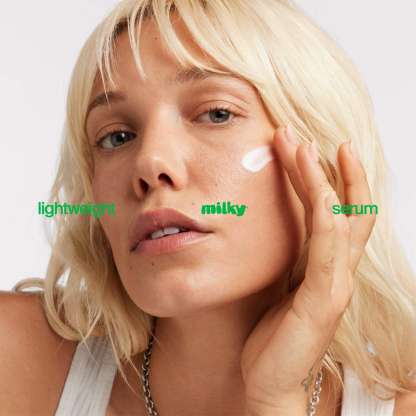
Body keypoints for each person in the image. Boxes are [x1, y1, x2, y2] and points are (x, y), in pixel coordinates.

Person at [1, 0, 416, 415]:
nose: (150, 162)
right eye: (117, 137)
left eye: (217, 114)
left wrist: (276, 402)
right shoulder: (15, 359)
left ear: (321, 162)